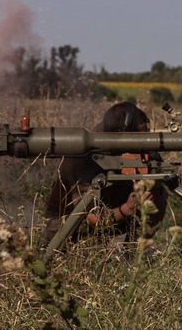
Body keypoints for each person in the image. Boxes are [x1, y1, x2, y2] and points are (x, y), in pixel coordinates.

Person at [43, 101, 168, 245]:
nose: (145, 140)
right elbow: (92, 219)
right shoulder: (83, 160)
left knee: (158, 191)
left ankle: (133, 251)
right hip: (69, 227)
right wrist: (127, 208)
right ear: (123, 135)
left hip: (110, 216)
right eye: (139, 136)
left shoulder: (115, 145)